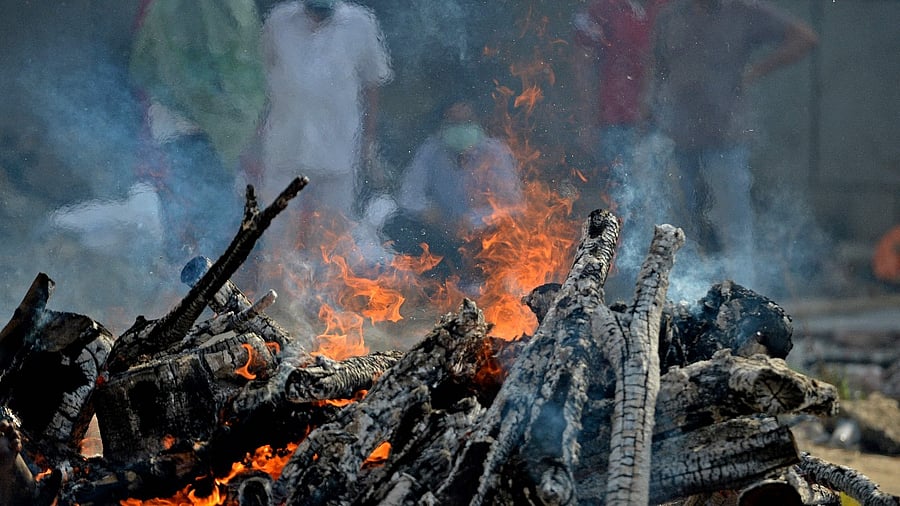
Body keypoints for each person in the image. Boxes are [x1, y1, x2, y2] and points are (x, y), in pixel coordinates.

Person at [649, 0, 817, 286]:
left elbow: (805, 37)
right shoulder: (670, 17)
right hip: (677, 137)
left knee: (734, 224)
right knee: (676, 225)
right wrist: (650, 115)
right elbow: (655, 68)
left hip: (725, 137)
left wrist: (757, 69)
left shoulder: (743, 12)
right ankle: (677, 293)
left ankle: (742, 293)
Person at [129, 0, 267, 262]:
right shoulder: (239, 9)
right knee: (219, 217)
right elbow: (253, 76)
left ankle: (183, 282)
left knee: (184, 214)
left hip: (177, 128)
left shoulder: (162, 8)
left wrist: (176, 92)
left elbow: (142, 67)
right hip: (228, 133)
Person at [572, 0, 671, 294]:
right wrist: (588, 119)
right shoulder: (600, 9)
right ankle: (627, 277)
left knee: (657, 201)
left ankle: (659, 277)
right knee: (623, 201)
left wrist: (652, 106)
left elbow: (668, 60)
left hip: (661, 125)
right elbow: (582, 61)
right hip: (614, 123)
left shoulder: (666, 7)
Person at [258, 0, 393, 215]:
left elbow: (372, 85)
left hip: (337, 152)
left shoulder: (360, 23)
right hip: (285, 147)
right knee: (277, 230)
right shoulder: (279, 20)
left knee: (333, 234)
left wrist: (368, 142)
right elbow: (262, 77)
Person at [380, 101, 523, 288]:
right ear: (443, 126)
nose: (460, 129)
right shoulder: (431, 151)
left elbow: (513, 205)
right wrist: (431, 213)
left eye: (466, 122)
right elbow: (408, 195)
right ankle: (434, 284)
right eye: (454, 122)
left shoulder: (496, 153)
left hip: (482, 234)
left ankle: (488, 283)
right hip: (442, 230)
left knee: (506, 233)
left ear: (477, 122)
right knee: (398, 225)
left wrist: (473, 221)